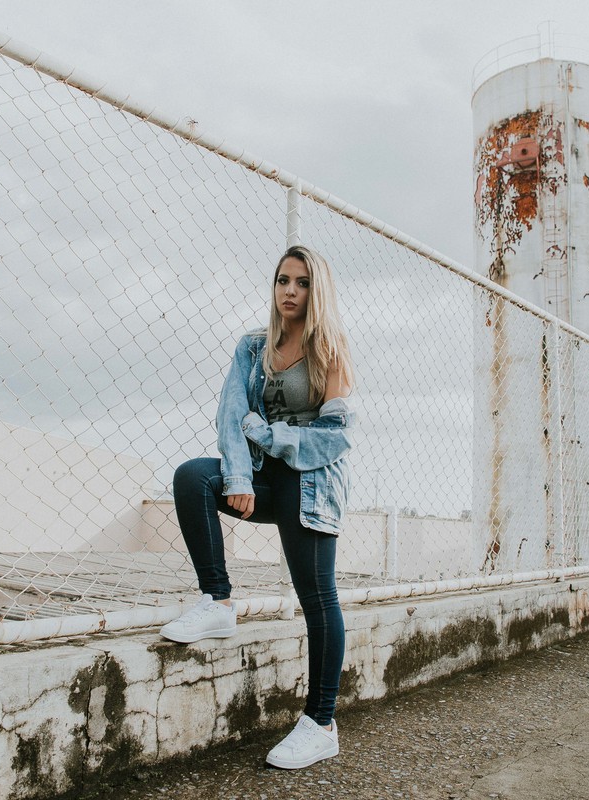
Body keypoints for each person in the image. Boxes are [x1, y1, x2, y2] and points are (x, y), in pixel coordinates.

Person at [161, 244, 356, 770]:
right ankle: (218, 602)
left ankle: (320, 723)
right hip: (262, 479)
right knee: (194, 478)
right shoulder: (252, 347)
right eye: (282, 280)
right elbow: (231, 415)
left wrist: (270, 437)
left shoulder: (331, 350)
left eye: (302, 283)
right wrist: (241, 474)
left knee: (317, 598)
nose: (289, 291)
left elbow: (335, 437)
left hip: (309, 484)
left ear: (317, 291)